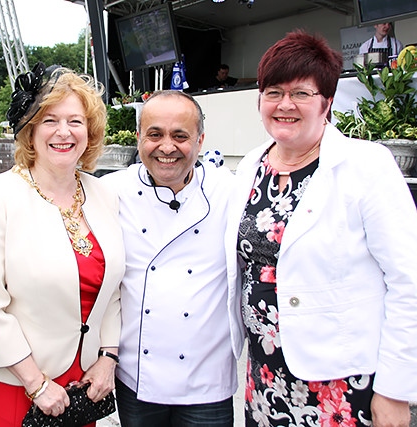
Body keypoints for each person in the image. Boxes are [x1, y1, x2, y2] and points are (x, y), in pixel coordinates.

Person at [226, 30, 417, 426]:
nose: (285, 105)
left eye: (301, 93)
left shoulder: (367, 166)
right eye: (273, 92)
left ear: (327, 102)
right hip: (265, 375)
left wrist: (396, 391)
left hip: (341, 382)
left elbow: (408, 281)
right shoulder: (250, 166)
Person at [0, 63, 126, 426]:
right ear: (30, 131)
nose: (63, 132)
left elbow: (113, 291)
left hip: (80, 383)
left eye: (75, 121)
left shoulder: (104, 194)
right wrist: (35, 383)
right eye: (49, 120)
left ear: (90, 132)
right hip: (11, 380)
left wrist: (108, 357)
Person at [102, 90, 245, 427]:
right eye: (155, 135)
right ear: (138, 138)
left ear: (200, 140)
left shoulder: (231, 191)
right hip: (137, 377)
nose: (167, 147)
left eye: (180, 136)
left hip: (207, 381)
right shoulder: (110, 191)